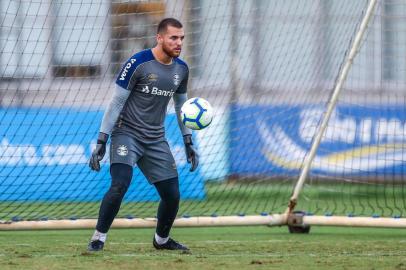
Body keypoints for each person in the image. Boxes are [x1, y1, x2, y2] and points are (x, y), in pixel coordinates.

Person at [87, 18, 198, 252]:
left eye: (181, 38)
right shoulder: (138, 62)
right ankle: (98, 238)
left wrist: (188, 140)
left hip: (156, 138)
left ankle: (162, 241)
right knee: (119, 185)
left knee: (172, 195)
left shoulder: (181, 69)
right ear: (159, 38)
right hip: (126, 133)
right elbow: (117, 101)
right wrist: (101, 139)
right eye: (173, 38)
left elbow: (181, 106)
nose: (179, 43)